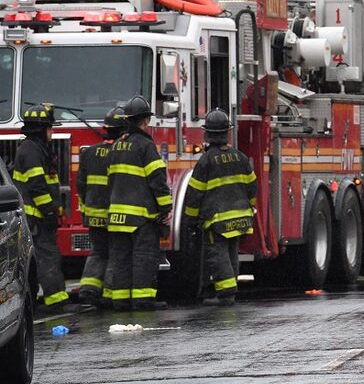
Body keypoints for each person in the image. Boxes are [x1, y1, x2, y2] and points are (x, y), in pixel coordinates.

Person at [182, 110, 258, 306]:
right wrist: (250, 207)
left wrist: (190, 221)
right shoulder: (240, 157)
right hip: (241, 217)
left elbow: (195, 194)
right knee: (232, 253)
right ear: (227, 133)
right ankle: (229, 289)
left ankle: (225, 295)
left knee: (218, 254)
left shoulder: (205, 161)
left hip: (217, 220)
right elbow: (252, 185)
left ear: (207, 134)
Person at [105, 95, 172, 310]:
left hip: (116, 217)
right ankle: (143, 301)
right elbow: (157, 181)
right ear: (145, 121)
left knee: (121, 259)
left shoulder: (116, 146)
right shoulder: (145, 146)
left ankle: (121, 301)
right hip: (141, 217)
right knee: (143, 258)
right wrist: (165, 208)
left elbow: (110, 180)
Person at [13, 103, 71, 313]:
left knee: (40, 259)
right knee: (48, 258)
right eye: (49, 128)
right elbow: (37, 186)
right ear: (41, 130)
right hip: (35, 217)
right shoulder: (32, 152)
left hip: (34, 217)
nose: (52, 132)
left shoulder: (34, 149)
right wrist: (48, 211)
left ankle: (37, 303)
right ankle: (56, 302)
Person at [76, 105, 128, 307]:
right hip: (114, 215)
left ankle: (89, 290)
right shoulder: (121, 152)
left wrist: (86, 207)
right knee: (116, 253)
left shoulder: (89, 153)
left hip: (93, 213)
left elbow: (81, 185)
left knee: (98, 252)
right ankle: (109, 293)